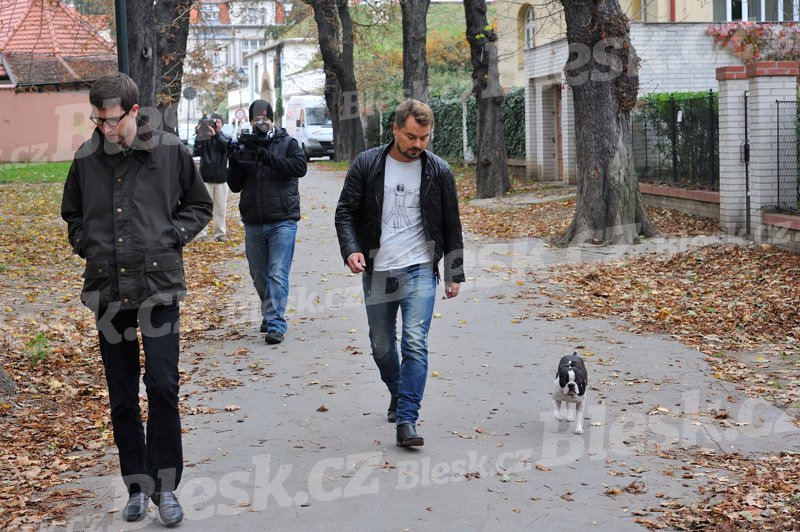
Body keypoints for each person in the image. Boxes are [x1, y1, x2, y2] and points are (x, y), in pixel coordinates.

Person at [61, 72, 212, 525]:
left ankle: (166, 488)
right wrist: (87, 244)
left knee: (163, 387)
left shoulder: (168, 151)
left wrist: (172, 237)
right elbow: (72, 214)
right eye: (97, 120)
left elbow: (199, 205)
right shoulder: (86, 157)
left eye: (110, 120)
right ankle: (136, 486)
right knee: (122, 395)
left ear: (132, 111)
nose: (104, 128)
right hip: (109, 293)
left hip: (159, 289)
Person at [334, 99, 465, 447]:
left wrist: (454, 273)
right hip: (378, 270)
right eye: (411, 136)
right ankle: (398, 389)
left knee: (414, 343)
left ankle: (408, 418)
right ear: (394, 129)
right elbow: (345, 212)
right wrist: (352, 249)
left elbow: (452, 224)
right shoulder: (367, 164)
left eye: (424, 138)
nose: (417, 145)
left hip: (420, 269)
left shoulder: (438, 170)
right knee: (381, 345)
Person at [227, 100, 307, 344]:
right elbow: (234, 185)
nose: (260, 122)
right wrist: (235, 159)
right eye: (256, 119)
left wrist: (265, 155)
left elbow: (298, 168)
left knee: (276, 273)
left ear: (272, 119)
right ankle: (269, 310)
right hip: (253, 220)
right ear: (250, 121)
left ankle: (275, 324)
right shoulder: (245, 144)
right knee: (259, 275)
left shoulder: (287, 142)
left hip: (282, 219)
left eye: (265, 118)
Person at [193, 112, 231, 242]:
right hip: (206, 179)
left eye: (218, 122)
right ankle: (201, 234)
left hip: (221, 180)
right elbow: (196, 151)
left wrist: (216, 135)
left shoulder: (224, 137)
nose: (215, 125)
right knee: (204, 208)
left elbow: (226, 148)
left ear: (222, 124)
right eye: (213, 123)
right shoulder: (204, 138)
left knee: (221, 209)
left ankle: (220, 234)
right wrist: (200, 135)